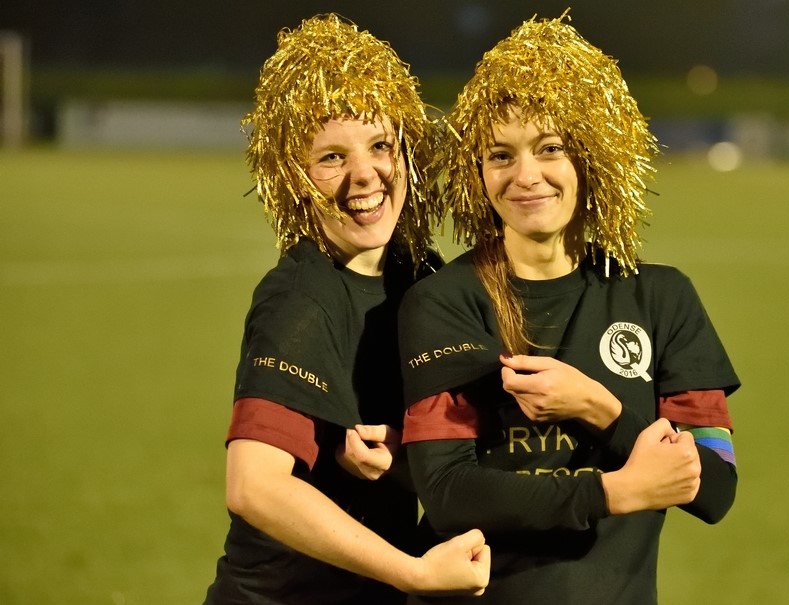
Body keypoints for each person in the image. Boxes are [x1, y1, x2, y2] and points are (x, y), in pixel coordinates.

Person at [397, 13, 739, 605]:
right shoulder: (444, 302)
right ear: (478, 172)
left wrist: (600, 409)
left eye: (550, 148)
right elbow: (448, 493)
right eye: (500, 155)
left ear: (592, 157)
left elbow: (714, 488)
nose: (525, 176)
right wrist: (612, 493)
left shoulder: (661, 297)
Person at [203, 14, 489, 604]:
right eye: (332, 157)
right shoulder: (301, 298)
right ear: (294, 177)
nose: (365, 175)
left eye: (381, 145)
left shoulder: (422, 276)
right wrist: (413, 573)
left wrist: (405, 457)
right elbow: (254, 487)